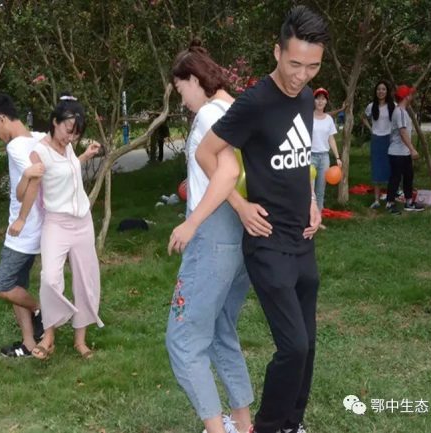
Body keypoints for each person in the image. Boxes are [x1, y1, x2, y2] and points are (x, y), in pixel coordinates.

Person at [170, 6, 328, 433]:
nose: (301, 76)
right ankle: (268, 426)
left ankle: (292, 424)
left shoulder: (303, 98)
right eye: (294, 64)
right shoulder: (255, 102)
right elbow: (209, 155)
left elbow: (300, 158)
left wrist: (312, 200)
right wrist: (240, 206)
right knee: (293, 346)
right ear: (277, 52)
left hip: (302, 239)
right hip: (267, 242)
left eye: (312, 67)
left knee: (309, 345)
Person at [165, 41, 254, 433]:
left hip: (213, 238)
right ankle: (244, 426)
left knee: (183, 341)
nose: (182, 100)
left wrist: (192, 223)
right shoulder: (236, 110)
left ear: (194, 79)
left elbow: (228, 173)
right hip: (240, 241)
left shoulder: (207, 116)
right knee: (220, 331)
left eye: (180, 89)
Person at [12, 94, 103, 360]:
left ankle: (80, 341)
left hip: (82, 222)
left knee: (86, 281)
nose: (70, 137)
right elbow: (31, 189)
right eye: (67, 130)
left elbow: (66, 171)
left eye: (75, 134)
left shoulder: (69, 147)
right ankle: (49, 334)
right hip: (57, 224)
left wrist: (84, 155)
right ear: (55, 121)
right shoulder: (39, 151)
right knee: (50, 279)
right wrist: (21, 219)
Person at [0, 94, 46, 357]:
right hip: (36, 228)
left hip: (24, 232)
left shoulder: (16, 146)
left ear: (2, 119)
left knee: (3, 285)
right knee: (18, 286)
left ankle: (42, 310)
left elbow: (36, 177)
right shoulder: (39, 137)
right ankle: (29, 343)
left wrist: (21, 218)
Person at [385, 85, 424, 215]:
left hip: (404, 152)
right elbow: (402, 132)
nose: (412, 96)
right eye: (410, 94)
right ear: (406, 97)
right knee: (395, 178)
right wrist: (412, 149)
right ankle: (390, 203)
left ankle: (409, 202)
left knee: (408, 177)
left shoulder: (403, 111)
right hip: (397, 152)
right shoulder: (400, 112)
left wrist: (409, 150)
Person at [361, 80, 395, 208]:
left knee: (391, 168)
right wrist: (371, 129)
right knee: (376, 168)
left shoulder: (393, 106)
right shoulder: (371, 106)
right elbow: (363, 117)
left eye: (383, 89)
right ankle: (376, 200)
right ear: (376, 91)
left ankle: (390, 199)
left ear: (387, 91)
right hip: (376, 140)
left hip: (390, 140)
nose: (381, 91)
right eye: (379, 89)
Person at [311, 87, 342, 212]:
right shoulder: (308, 117)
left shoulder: (329, 119)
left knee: (320, 190)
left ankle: (318, 216)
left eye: (323, 99)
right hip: (310, 157)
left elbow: (331, 139)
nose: (320, 101)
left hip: (324, 157)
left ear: (326, 102)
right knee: (310, 190)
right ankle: (309, 216)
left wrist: (337, 157)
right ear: (314, 101)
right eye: (317, 98)